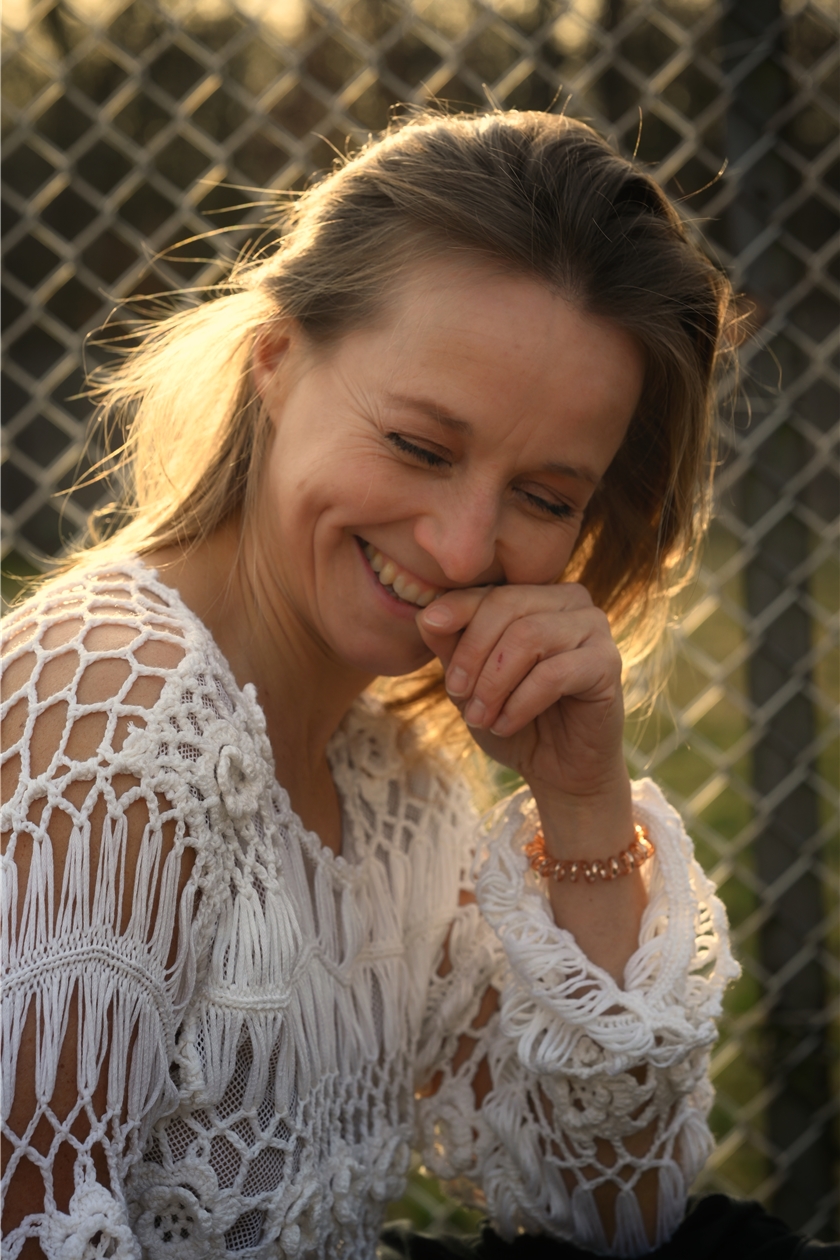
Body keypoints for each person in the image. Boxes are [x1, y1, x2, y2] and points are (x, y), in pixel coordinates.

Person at [1, 108, 756, 1260]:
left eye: (545, 497)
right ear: (276, 357)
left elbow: (615, 1213)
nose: (461, 547)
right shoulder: (110, 706)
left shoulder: (399, 779)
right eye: (420, 445)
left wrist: (583, 803)